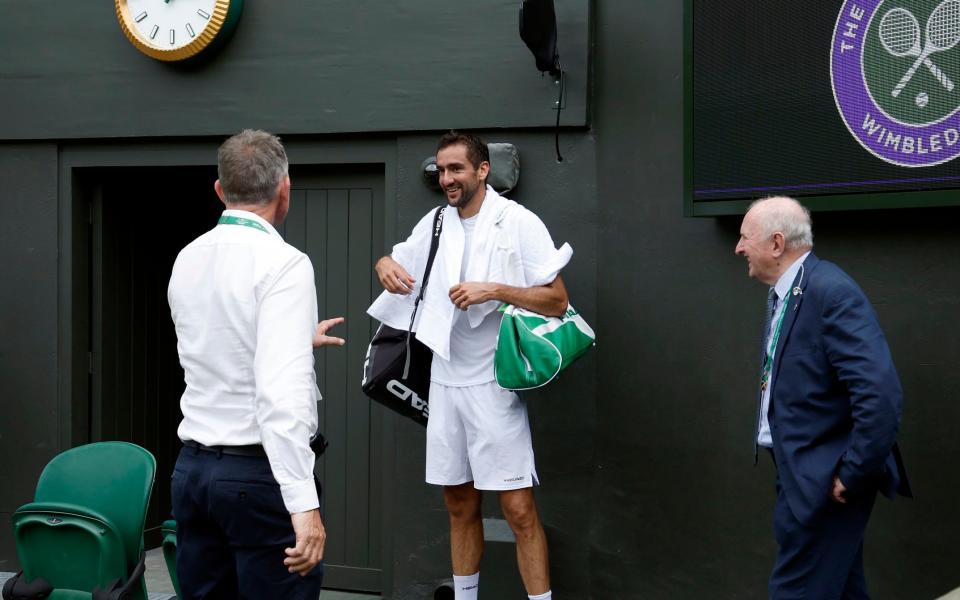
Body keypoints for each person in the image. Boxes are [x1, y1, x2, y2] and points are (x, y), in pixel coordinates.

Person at [369, 131, 571, 600]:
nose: (447, 179)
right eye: (441, 170)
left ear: (483, 170)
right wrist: (383, 264)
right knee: (459, 503)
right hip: (443, 380)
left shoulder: (517, 221)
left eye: (456, 168)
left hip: (493, 384)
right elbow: (394, 260)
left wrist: (494, 289)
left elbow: (558, 301)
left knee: (519, 508)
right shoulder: (436, 222)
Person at [168, 129, 345, 599]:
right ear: (284, 187)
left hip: (192, 474)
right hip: (255, 478)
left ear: (221, 190)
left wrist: (293, 341)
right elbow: (279, 398)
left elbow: (217, 344)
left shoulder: (187, 257)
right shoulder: (285, 263)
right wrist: (304, 505)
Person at [734, 196, 911, 599]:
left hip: (826, 481)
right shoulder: (789, 292)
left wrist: (853, 472)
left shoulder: (829, 291)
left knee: (795, 592)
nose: (739, 248)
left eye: (745, 238)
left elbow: (880, 394)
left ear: (776, 244)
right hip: (801, 473)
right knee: (843, 590)